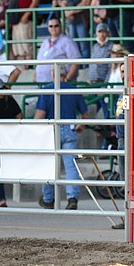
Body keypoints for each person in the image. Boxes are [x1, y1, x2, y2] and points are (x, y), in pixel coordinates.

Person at [35, 74, 89, 211]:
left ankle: (48, 199)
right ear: (66, 75)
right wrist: (80, 125)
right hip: (70, 127)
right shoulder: (73, 89)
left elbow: (40, 114)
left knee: (48, 165)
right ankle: (72, 198)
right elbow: (85, 114)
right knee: (71, 166)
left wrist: (35, 129)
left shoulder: (46, 89)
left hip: (51, 129)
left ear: (52, 75)